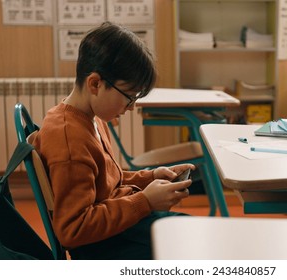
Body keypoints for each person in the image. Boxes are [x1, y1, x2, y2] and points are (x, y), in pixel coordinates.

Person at [32, 22, 194, 260]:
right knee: (193, 241)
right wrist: (145, 201)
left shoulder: (90, 119)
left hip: (115, 227)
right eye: (129, 97)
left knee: (191, 233)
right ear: (96, 83)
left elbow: (106, 182)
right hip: (103, 244)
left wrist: (151, 176)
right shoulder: (70, 140)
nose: (131, 107)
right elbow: (73, 230)